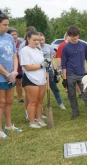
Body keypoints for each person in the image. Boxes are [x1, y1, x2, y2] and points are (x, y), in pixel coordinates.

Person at [61, 26, 87, 120]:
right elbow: (64, 64)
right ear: (69, 36)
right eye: (73, 36)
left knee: (86, 94)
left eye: (76, 35)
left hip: (82, 74)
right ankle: (75, 112)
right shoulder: (65, 48)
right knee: (72, 95)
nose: (75, 37)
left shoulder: (84, 45)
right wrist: (65, 78)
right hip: (70, 74)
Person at [19, 31, 49, 128]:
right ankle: (32, 121)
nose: (37, 42)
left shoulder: (39, 50)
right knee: (33, 102)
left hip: (41, 78)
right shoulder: (25, 50)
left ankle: (39, 119)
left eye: (38, 40)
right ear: (28, 39)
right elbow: (27, 67)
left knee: (40, 101)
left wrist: (46, 62)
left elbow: (42, 63)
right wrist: (41, 65)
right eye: (34, 40)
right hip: (31, 79)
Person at [0, 10, 22, 139]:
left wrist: (14, 72)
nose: (7, 27)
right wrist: (6, 74)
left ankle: (8, 125)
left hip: (11, 75)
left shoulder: (9, 37)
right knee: (1, 102)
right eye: (4, 24)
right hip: (1, 76)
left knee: (9, 101)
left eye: (8, 24)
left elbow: (14, 56)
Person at [38, 32, 66, 110]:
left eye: (42, 39)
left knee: (54, 87)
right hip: (39, 71)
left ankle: (60, 103)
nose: (41, 41)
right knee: (40, 89)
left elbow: (52, 59)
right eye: (39, 40)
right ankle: (39, 106)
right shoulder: (36, 48)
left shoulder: (49, 47)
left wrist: (55, 69)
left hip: (49, 70)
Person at [56, 33, 82, 98]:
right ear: (67, 37)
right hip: (65, 66)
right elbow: (59, 57)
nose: (72, 37)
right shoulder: (62, 45)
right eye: (70, 36)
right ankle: (69, 95)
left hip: (73, 66)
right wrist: (59, 67)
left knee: (75, 80)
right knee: (67, 81)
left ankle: (79, 93)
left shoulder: (74, 44)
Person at [8, 28, 24, 104]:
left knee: (19, 82)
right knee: (9, 83)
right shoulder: (7, 43)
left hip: (19, 67)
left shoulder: (21, 43)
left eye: (15, 34)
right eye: (12, 34)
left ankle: (20, 98)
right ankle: (8, 98)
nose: (14, 36)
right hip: (9, 66)